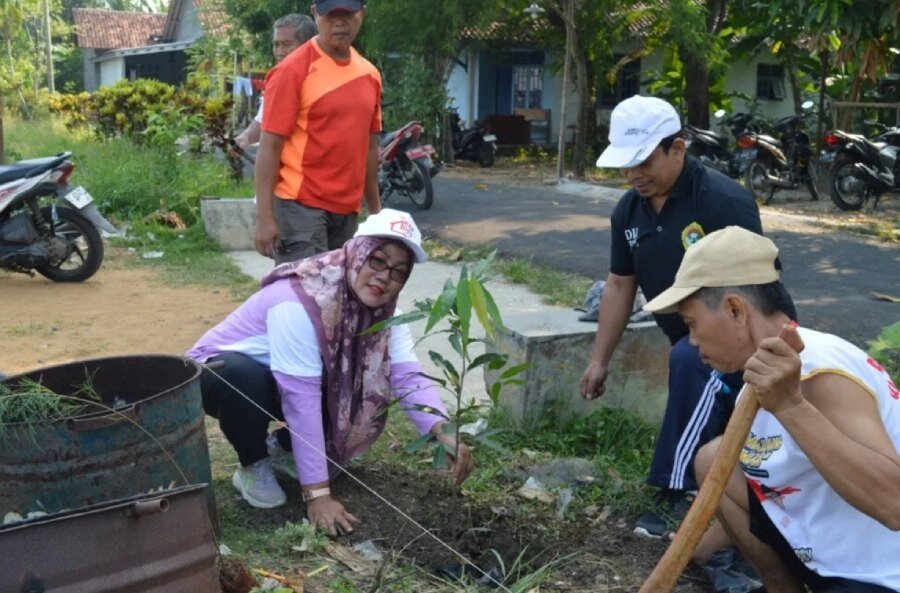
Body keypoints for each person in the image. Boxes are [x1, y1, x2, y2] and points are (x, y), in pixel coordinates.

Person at [643, 226, 900, 593]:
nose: (693, 341)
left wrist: (792, 406)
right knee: (714, 459)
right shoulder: (765, 371)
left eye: (692, 324)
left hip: (881, 574)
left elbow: (894, 503)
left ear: (735, 310)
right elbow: (783, 479)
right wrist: (700, 545)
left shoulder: (820, 370)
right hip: (828, 560)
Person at [187, 209, 473, 535]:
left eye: (398, 271)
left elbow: (407, 377)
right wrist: (317, 496)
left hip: (283, 378)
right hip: (219, 374)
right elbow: (300, 395)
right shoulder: (300, 298)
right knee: (242, 377)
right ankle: (252, 463)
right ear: (356, 251)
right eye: (377, 260)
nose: (384, 276)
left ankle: (283, 448)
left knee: (360, 377)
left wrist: (443, 430)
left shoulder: (386, 315)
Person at [581, 95, 772, 538]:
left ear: (678, 148)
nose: (634, 175)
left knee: (691, 360)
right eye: (626, 166)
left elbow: (757, 289)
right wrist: (599, 360)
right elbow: (619, 285)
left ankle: (673, 491)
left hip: (743, 343)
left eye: (645, 162)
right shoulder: (627, 211)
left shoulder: (722, 201)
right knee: (689, 358)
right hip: (693, 340)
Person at [254, 0, 382, 265]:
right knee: (305, 295)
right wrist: (265, 218)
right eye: (330, 14)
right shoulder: (292, 70)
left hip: (347, 209)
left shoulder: (369, 75)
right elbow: (269, 147)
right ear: (315, 14)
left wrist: (376, 214)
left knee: (338, 295)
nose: (339, 22)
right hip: (300, 205)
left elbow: (369, 150)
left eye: (347, 14)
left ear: (362, 14)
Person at [232, 14, 318, 151]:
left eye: (286, 44)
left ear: (308, 45)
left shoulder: (323, 79)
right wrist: (245, 137)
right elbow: (264, 119)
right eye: (276, 44)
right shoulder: (278, 79)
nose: (279, 52)